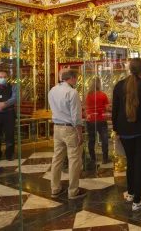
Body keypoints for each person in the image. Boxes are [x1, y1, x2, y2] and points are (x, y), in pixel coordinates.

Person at [112, 58, 141, 211]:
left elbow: (115, 110)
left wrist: (116, 129)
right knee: (140, 163)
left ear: (129, 69)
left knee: (131, 162)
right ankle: (137, 201)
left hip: (124, 130)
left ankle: (131, 193)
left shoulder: (119, 85)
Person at [48, 69, 87, 200]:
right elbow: (76, 116)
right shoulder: (72, 92)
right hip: (70, 129)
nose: (76, 81)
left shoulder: (52, 90)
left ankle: (55, 188)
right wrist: (80, 134)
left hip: (57, 128)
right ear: (71, 78)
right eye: (76, 78)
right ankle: (73, 190)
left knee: (57, 159)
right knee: (74, 159)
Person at [86, 77, 111, 164]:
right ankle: (105, 158)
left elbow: (85, 107)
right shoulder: (102, 95)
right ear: (98, 84)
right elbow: (107, 107)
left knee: (91, 139)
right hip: (101, 119)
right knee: (104, 139)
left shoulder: (87, 95)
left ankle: (93, 157)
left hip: (90, 120)